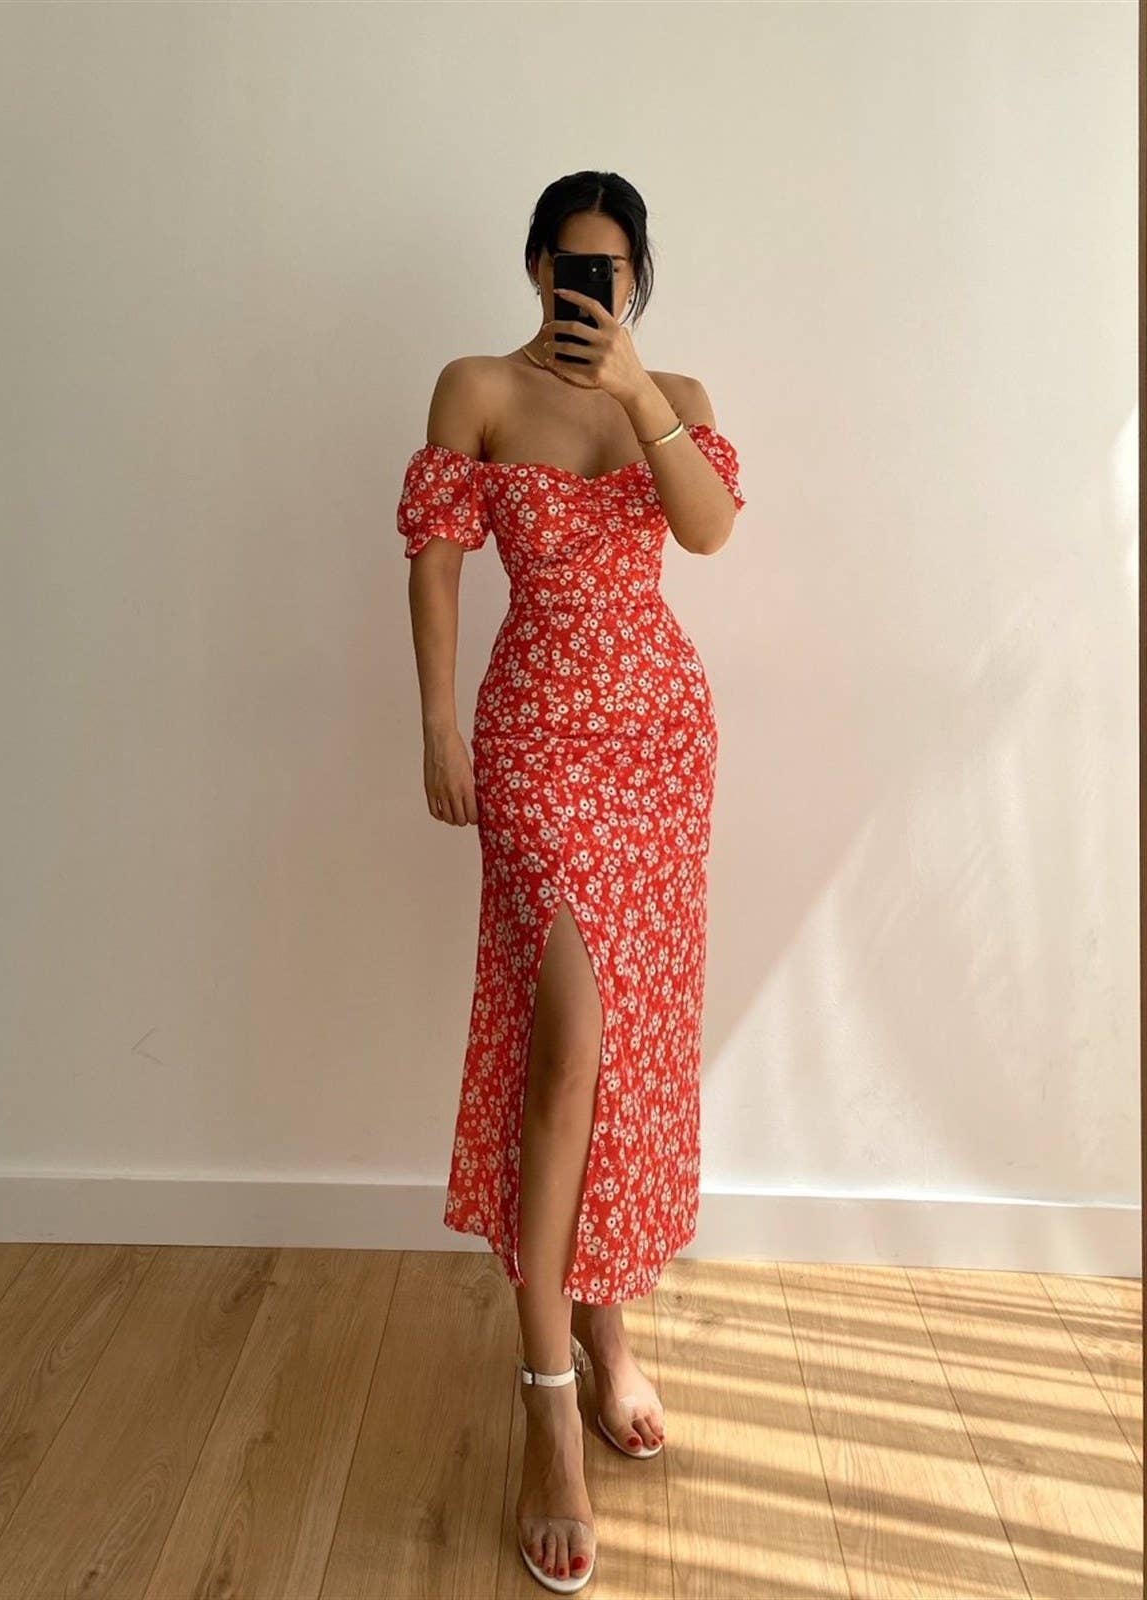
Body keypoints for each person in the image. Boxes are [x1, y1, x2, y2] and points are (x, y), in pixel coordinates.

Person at [396, 170, 745, 1593]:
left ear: (636, 279)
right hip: (537, 734)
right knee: (565, 1054)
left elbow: (708, 531)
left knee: (632, 1051)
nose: (587, 291)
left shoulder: (673, 392)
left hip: (659, 742)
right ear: (536, 265)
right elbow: (435, 568)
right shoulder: (475, 388)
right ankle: (549, 1408)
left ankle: (606, 1328)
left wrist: (640, 387)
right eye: (568, 268)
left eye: (612, 272)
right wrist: (435, 727)